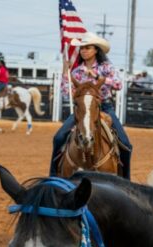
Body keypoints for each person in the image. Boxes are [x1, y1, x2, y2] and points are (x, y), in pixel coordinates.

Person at [49, 32, 132, 179]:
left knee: (125, 144)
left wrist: (96, 77)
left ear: (96, 50)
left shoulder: (105, 67)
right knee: (58, 138)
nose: (84, 50)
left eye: (87, 47)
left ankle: (126, 181)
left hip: (104, 107)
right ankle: (53, 176)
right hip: (81, 109)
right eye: (82, 48)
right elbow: (65, 91)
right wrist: (64, 71)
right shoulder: (77, 71)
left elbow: (118, 84)